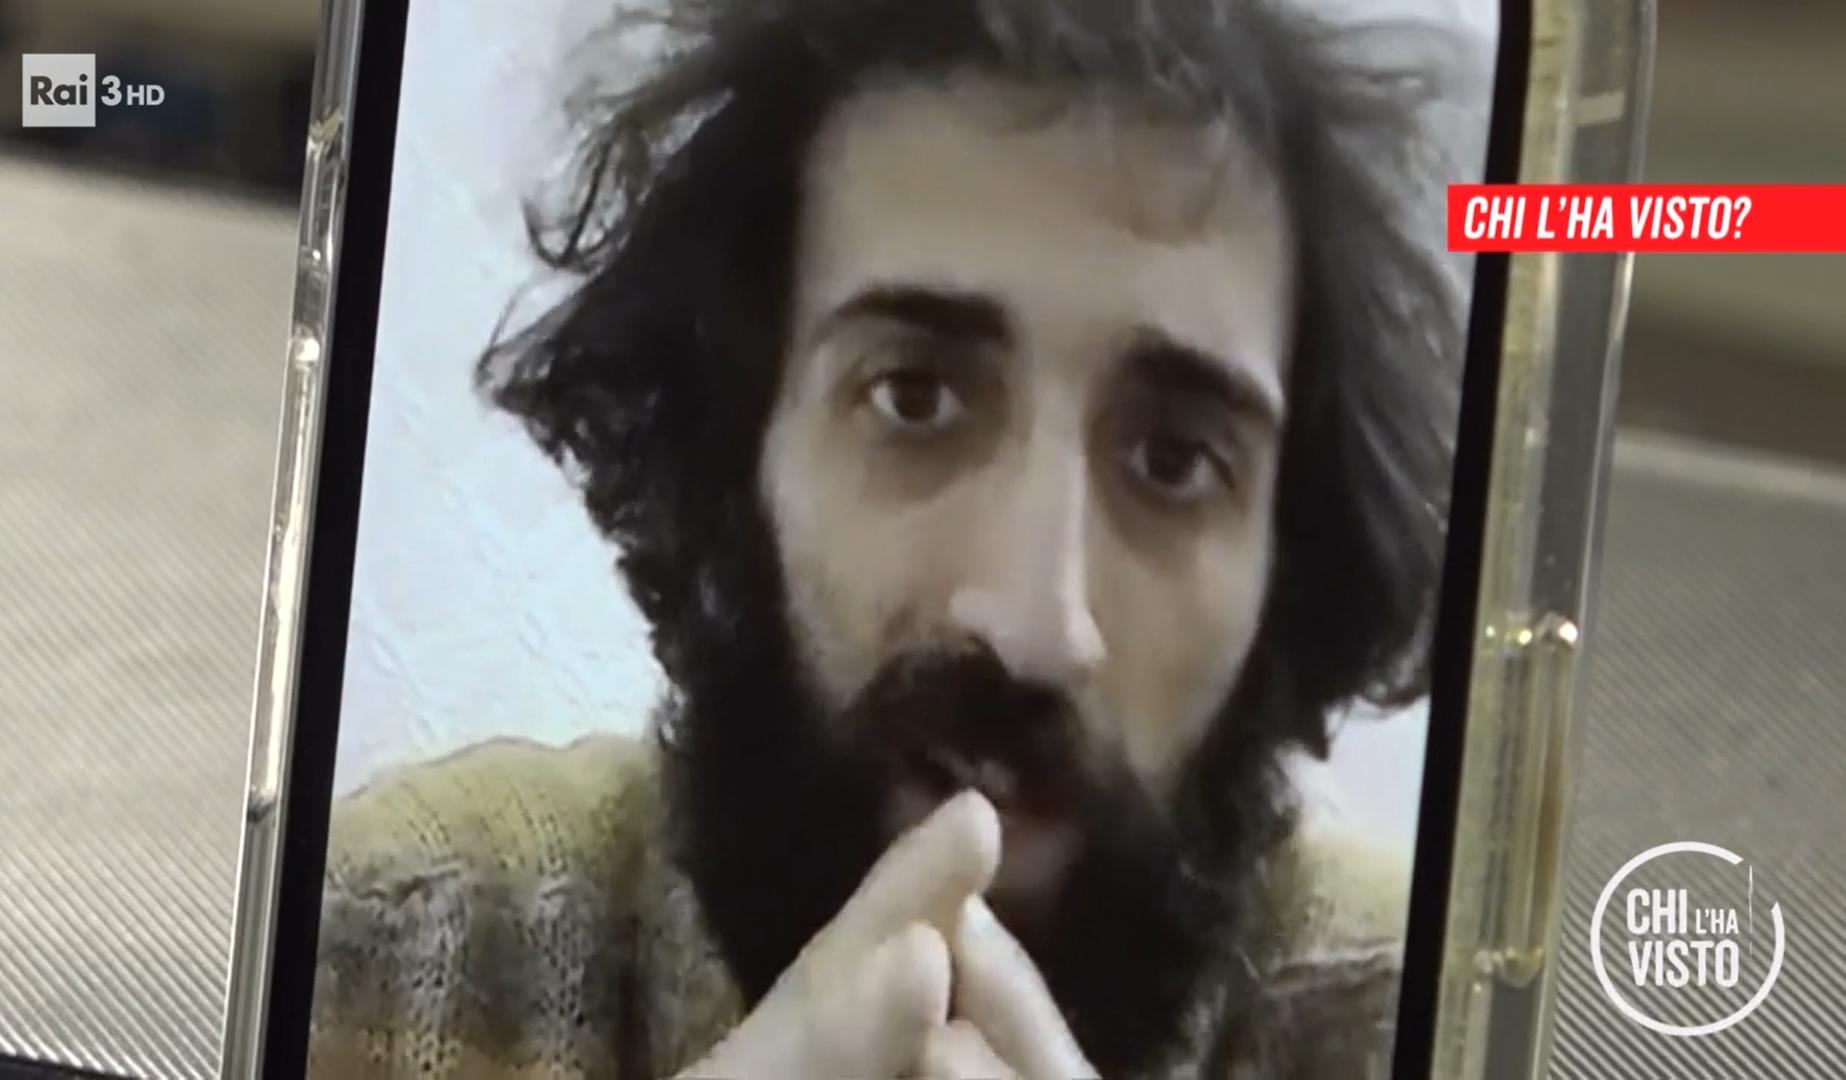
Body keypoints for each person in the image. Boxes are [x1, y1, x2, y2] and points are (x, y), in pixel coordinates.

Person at [309, 0, 1472, 1075]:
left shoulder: (1434, 1026)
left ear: (1293, 559)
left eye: (1173, 460)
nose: (1034, 626)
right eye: (914, 397)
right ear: (733, 445)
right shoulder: (389, 954)